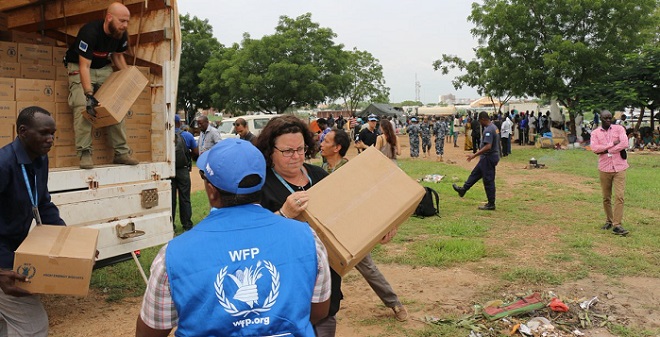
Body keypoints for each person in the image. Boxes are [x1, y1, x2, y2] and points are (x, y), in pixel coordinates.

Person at [136, 139, 331, 336]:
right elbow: (318, 311)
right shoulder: (308, 238)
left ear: (212, 192)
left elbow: (150, 332)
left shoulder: (172, 256)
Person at [255, 115, 342, 337]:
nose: (296, 156)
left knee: (324, 325)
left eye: (301, 149)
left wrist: (379, 230)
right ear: (269, 151)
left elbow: (344, 217)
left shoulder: (319, 176)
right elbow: (253, 239)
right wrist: (283, 214)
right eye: (287, 151)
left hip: (326, 285)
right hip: (283, 287)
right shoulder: (261, 186)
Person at [319, 129, 408, 322]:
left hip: (350, 232)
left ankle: (395, 304)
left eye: (325, 141)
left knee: (368, 268)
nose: (321, 144)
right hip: (325, 231)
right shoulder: (321, 170)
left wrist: (385, 227)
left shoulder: (350, 170)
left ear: (337, 148)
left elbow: (369, 198)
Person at [0, 106, 66, 336]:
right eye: (44, 133)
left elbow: (43, 203)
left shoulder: (39, 159)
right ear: (23, 131)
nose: (50, 140)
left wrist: (69, 241)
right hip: (2, 257)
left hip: (13, 250)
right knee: (33, 326)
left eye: (53, 134)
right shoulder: (4, 164)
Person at [65, 2, 139, 169]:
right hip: (80, 66)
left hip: (103, 67)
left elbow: (118, 57)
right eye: (122, 21)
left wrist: (129, 79)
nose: (125, 25)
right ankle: (85, 153)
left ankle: (121, 153)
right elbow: (84, 66)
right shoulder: (89, 32)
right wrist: (89, 94)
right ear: (109, 18)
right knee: (84, 106)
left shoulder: (120, 34)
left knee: (116, 106)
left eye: (127, 21)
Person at [590, 110, 630, 235]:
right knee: (606, 197)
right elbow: (595, 149)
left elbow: (625, 143)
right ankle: (609, 220)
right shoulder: (595, 133)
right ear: (600, 119)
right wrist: (612, 144)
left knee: (619, 196)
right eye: (605, 118)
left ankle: (617, 225)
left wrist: (608, 150)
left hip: (620, 167)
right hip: (604, 168)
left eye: (609, 118)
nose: (608, 120)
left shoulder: (619, 129)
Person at [452, 111, 501, 210]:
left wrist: (474, 155)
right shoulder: (494, 127)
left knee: (488, 180)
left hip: (488, 157)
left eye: (479, 120)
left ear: (483, 119)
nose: (479, 123)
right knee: (475, 173)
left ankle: (491, 203)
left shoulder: (489, 130)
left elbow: (488, 146)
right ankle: (463, 189)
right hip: (487, 157)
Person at [172, 115, 197, 231]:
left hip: (169, 171)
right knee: (185, 198)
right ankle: (187, 224)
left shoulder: (165, 136)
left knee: (170, 199)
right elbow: (196, 151)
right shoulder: (187, 135)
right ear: (179, 123)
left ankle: (170, 225)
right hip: (183, 170)